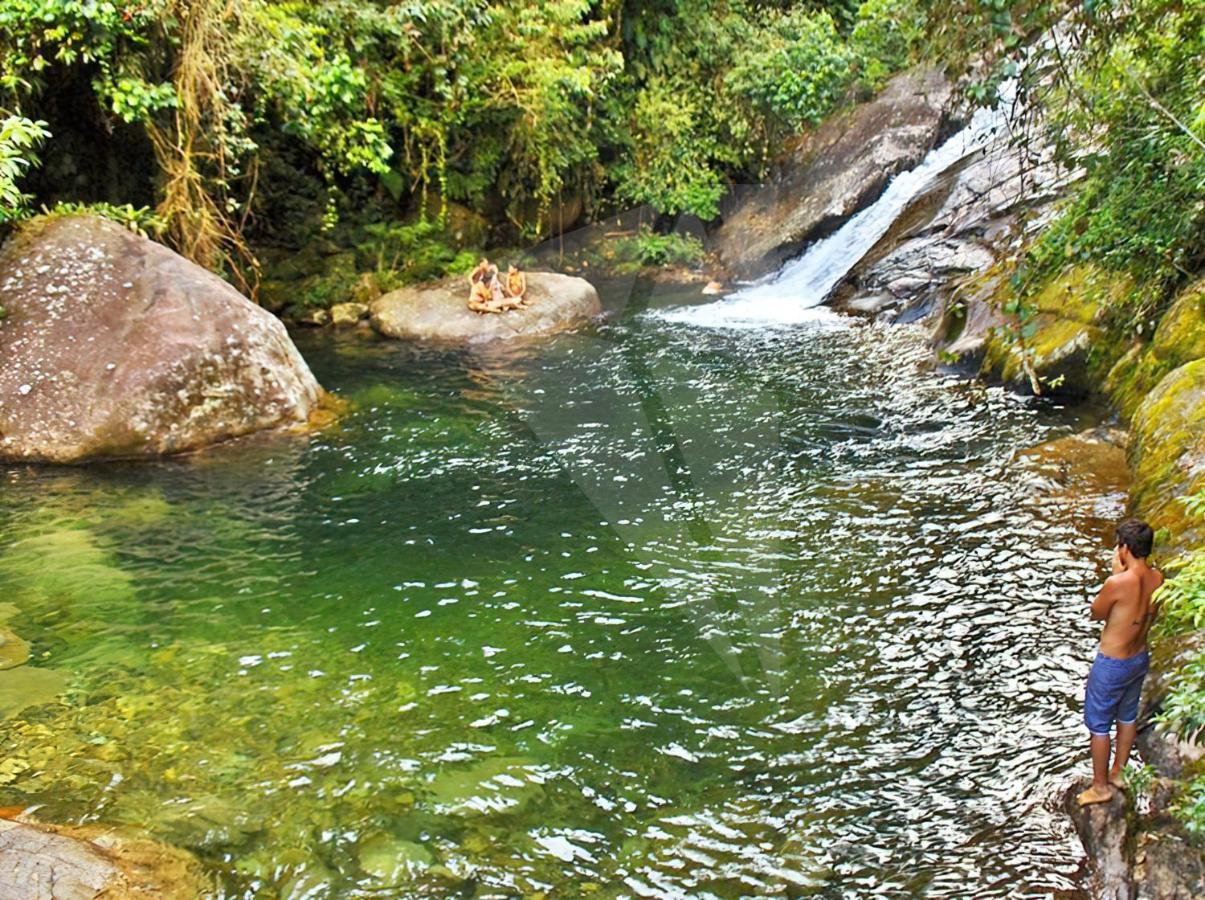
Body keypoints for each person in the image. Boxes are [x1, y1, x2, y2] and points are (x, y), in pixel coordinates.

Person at [1078, 518, 1164, 806]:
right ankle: (1119, 772)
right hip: (1139, 657)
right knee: (1126, 716)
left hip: (1112, 662)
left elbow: (1096, 613)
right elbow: (1153, 613)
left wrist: (1116, 573)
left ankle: (1100, 786)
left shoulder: (1117, 583)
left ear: (1125, 548)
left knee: (1099, 724)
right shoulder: (1158, 578)